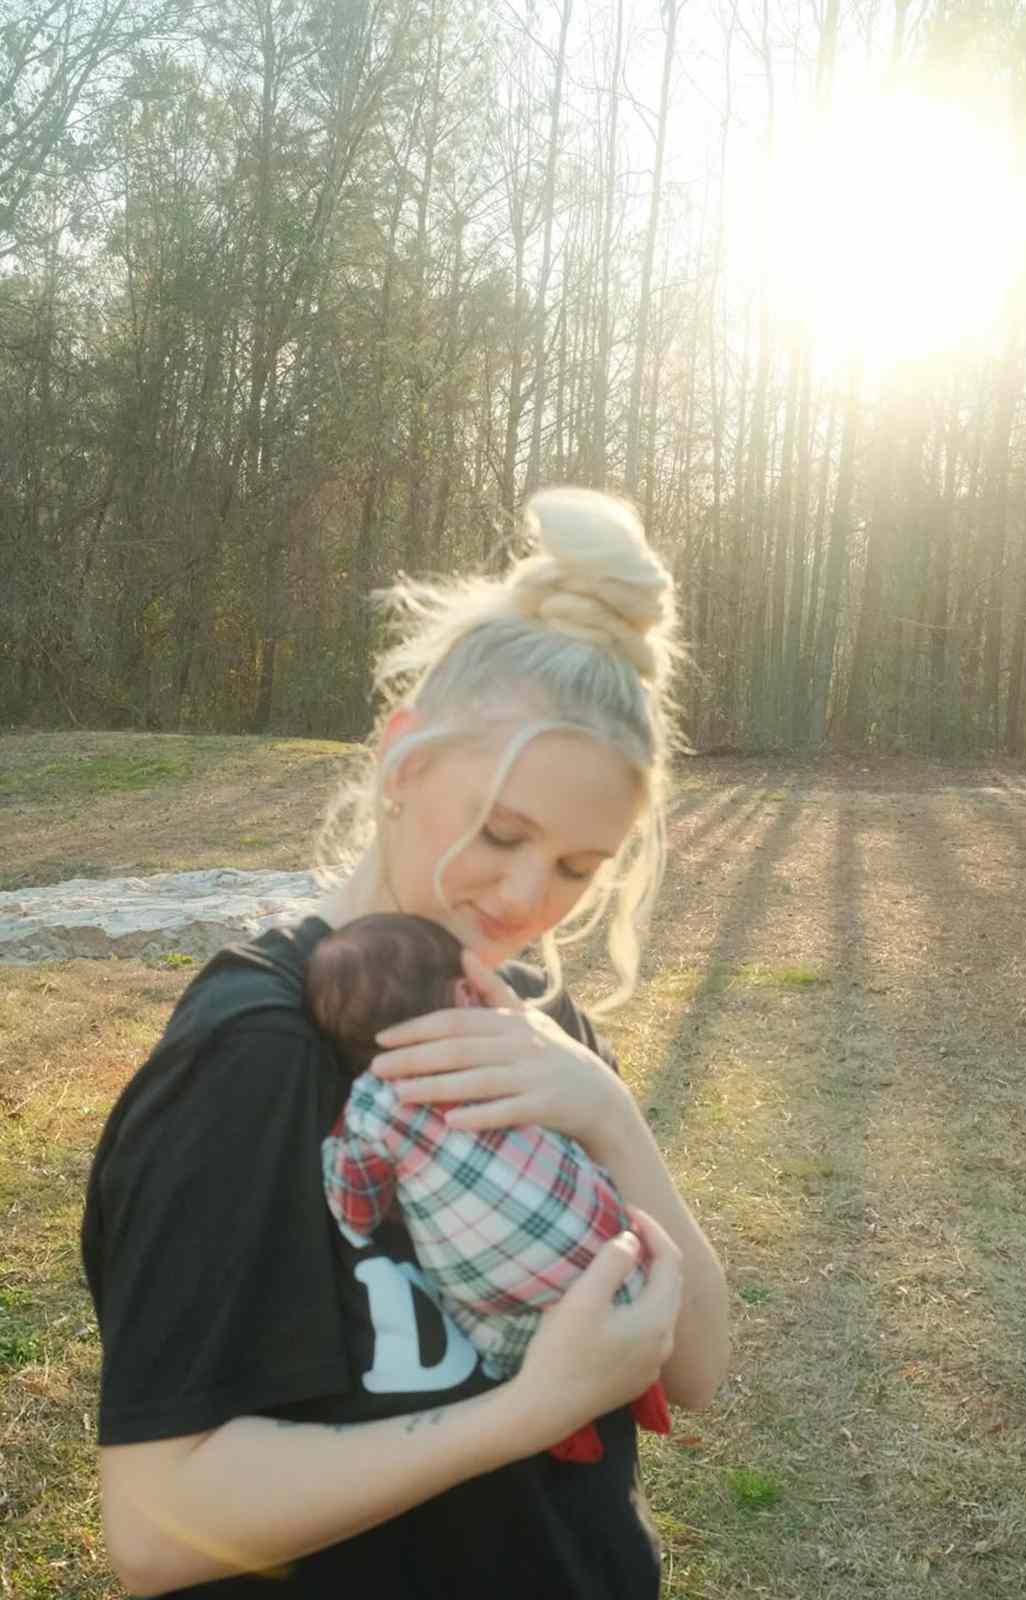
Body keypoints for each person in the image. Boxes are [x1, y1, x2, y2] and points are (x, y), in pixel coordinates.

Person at [82, 486, 730, 1598]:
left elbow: (699, 1368)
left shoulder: (537, 1024)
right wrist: (531, 1409)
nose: (528, 899)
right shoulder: (257, 1055)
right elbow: (153, 1525)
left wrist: (608, 1112)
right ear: (403, 762)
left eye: (578, 867)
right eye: (502, 832)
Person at [307, 911, 671, 1463]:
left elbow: (357, 1204)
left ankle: (568, 1431)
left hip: (496, 1298)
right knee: (618, 1276)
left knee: (499, 1335)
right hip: (605, 1251)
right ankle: (644, 1392)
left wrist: (360, 1203)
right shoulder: (508, 1048)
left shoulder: (370, 1105)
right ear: (464, 991)